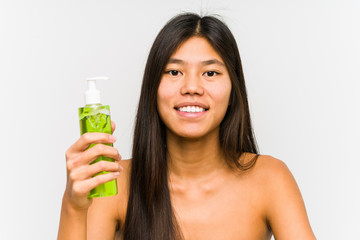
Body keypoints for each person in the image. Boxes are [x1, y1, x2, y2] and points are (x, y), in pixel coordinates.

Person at [58, 13, 316, 240]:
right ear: (152, 88)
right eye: (174, 72)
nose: (192, 87)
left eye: (211, 73)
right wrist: (73, 206)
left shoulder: (270, 179)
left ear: (233, 91)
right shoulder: (114, 184)